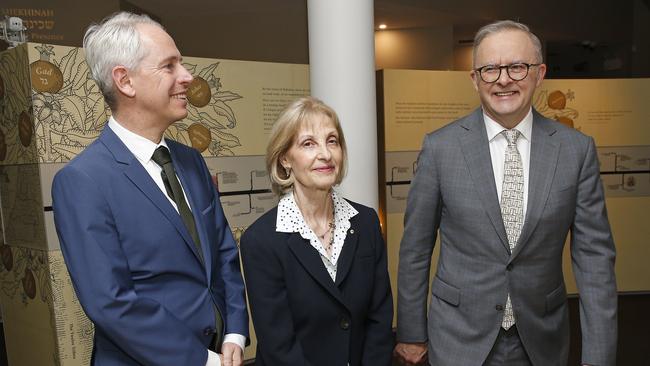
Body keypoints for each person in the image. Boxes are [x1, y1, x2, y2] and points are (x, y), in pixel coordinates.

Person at [394, 20, 617, 366]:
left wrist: (599, 354)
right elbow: (415, 249)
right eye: (490, 69)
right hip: (457, 336)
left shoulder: (576, 151)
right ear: (474, 79)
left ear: (540, 73)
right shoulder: (441, 148)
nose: (503, 79)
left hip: (541, 339)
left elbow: (594, 260)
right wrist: (410, 332)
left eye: (517, 66)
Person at [51, 12, 248, 366]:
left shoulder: (190, 161)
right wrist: (200, 360)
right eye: (169, 66)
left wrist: (235, 330)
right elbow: (111, 302)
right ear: (125, 81)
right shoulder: (82, 181)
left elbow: (223, 252)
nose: (187, 77)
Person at [240, 97, 394, 366]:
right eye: (308, 143)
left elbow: (379, 317)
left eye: (332, 141)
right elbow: (279, 344)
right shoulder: (261, 240)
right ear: (285, 159)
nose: (325, 154)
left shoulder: (366, 222)